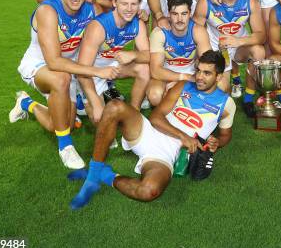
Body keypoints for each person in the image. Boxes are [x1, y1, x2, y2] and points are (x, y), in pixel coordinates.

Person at [69, 51, 236, 210]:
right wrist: (183, 136)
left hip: (167, 154)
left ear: (219, 76)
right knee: (114, 107)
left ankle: (105, 175)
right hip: (149, 133)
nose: (199, 77)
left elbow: (225, 136)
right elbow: (156, 118)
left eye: (207, 73)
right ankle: (92, 175)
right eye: (198, 70)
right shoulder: (184, 86)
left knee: (148, 191)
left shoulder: (226, 104)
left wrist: (217, 142)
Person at [10, 0, 119, 169]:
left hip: (68, 67)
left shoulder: (91, 9)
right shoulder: (48, 11)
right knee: (61, 79)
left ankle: (26, 103)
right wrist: (97, 72)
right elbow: (54, 62)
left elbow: (113, 21)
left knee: (59, 125)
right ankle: (66, 147)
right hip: (41, 64)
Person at [193, 0, 266, 114]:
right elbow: (194, 33)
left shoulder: (250, 0)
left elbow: (261, 35)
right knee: (221, 89)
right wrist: (200, 59)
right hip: (216, 51)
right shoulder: (205, 3)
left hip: (239, 47)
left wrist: (238, 41)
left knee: (259, 52)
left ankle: (248, 98)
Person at [76, 0, 150, 125]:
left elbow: (148, 55)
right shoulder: (98, 27)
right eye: (124, 4)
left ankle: (133, 113)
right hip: (91, 70)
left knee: (144, 68)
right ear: (114, 3)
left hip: (112, 66)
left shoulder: (137, 24)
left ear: (139, 4)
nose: (129, 9)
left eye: (133, 4)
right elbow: (82, 70)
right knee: (99, 118)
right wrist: (96, 103)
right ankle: (82, 95)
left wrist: (134, 55)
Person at [146, 0, 212, 106]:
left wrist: (187, 81)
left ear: (190, 13)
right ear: (169, 14)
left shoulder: (198, 31)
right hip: (166, 74)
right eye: (175, 14)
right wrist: (181, 78)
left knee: (216, 88)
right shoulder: (159, 33)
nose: (180, 19)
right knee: (154, 96)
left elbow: (208, 65)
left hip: (192, 74)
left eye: (184, 14)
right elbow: (155, 70)